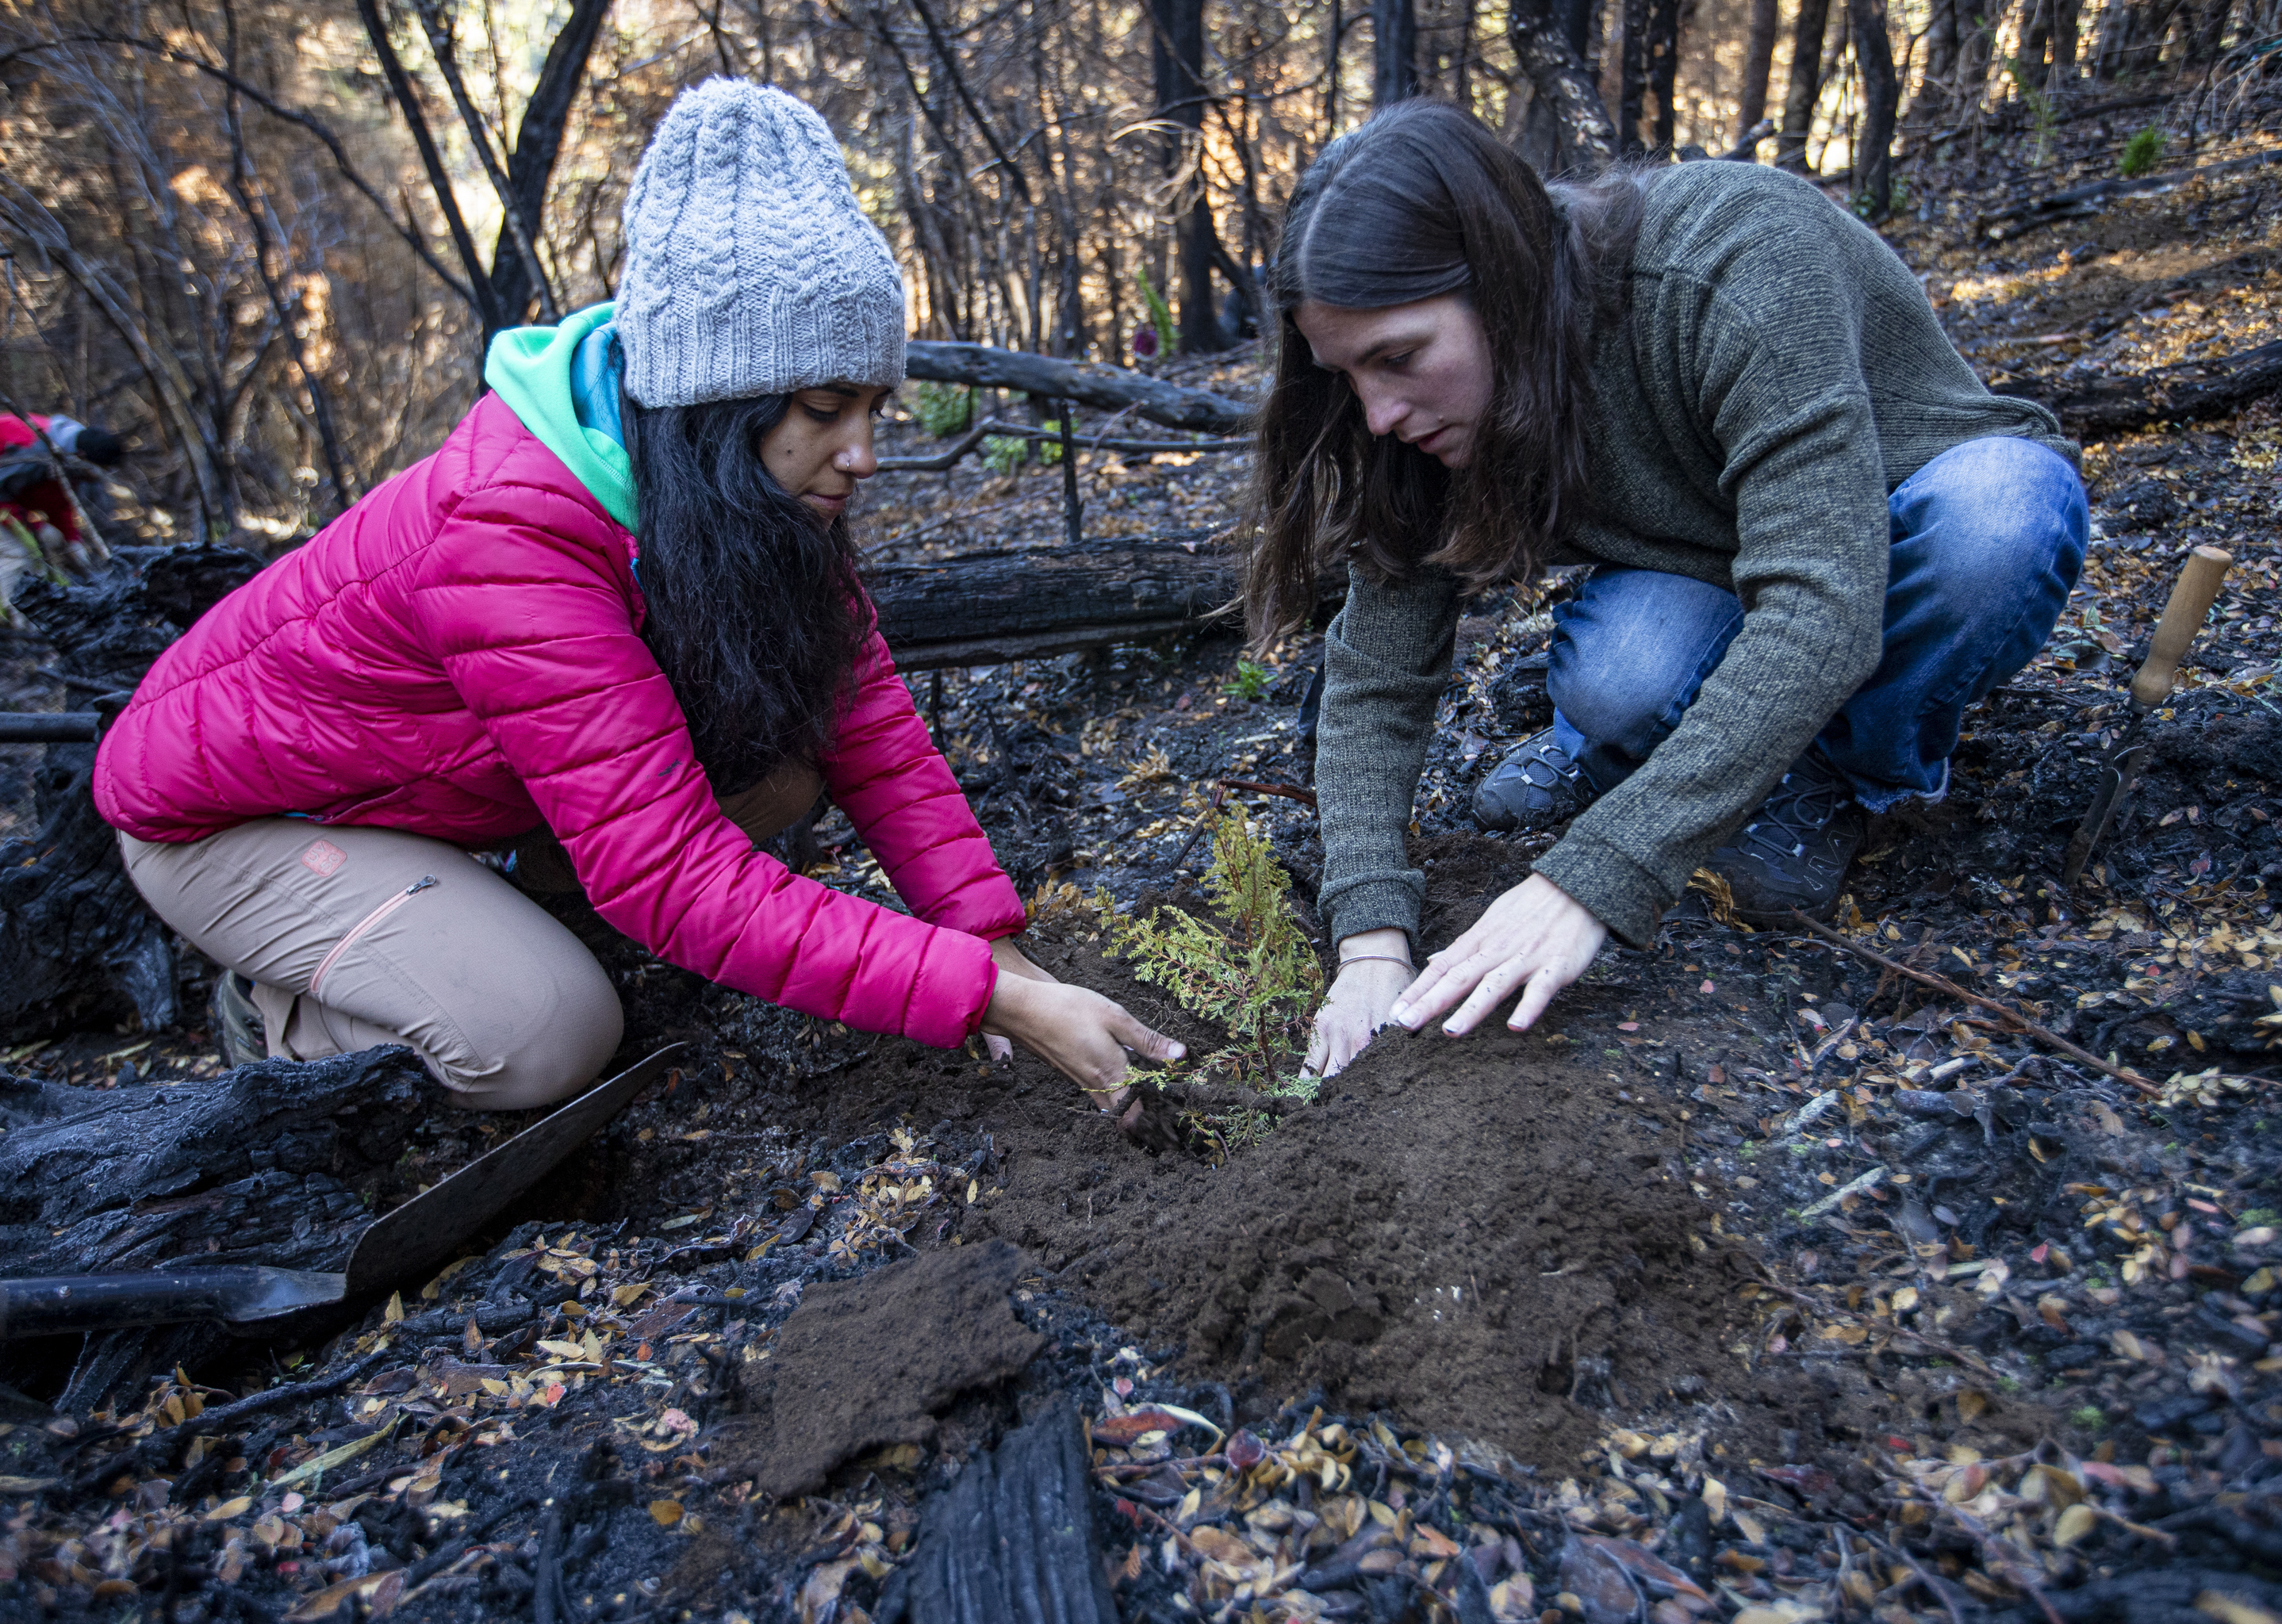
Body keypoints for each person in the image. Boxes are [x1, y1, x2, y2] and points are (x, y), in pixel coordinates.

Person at [93, 81, 1179, 1111]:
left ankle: (473, 916)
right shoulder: (508, 530)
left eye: (875, 408)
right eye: (825, 406)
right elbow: (665, 872)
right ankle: (283, 1011)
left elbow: (871, 726)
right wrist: (985, 1001)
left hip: (434, 799)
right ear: (712, 404)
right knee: (543, 1034)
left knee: (782, 770)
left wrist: (987, 941)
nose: (862, 454)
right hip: (243, 825)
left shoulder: (742, 492)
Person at [1247, 104, 2086, 1078]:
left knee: (2003, 518)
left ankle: (1839, 778)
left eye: (1398, 357)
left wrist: (1591, 878)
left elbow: (1823, 601)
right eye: (1347, 375)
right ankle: (1621, 750)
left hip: (1888, 531)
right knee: (1619, 680)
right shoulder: (1419, 414)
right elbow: (1377, 676)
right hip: (1705, 567)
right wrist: (1370, 941)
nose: (1379, 412)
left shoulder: (1732, 258)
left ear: (1507, 280)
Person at [0, 411, 123, 583]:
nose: (96, 477)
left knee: (37, 566)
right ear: (81, 457)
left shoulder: (70, 458)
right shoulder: (27, 444)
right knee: (17, 557)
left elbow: (56, 501)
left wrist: (72, 540)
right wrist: (38, 527)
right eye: (97, 470)